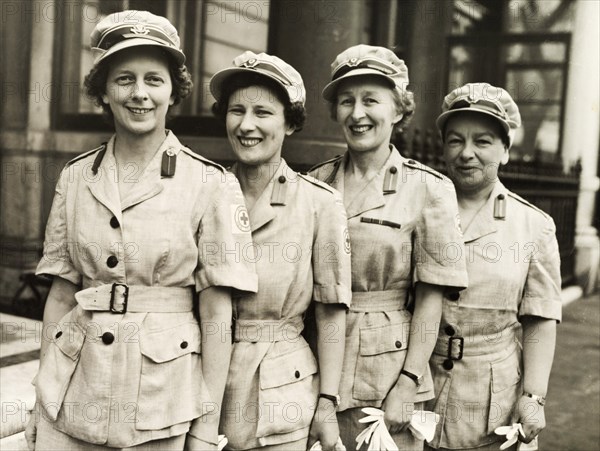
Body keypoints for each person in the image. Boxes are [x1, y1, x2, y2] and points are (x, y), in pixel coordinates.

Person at [26, 10, 257, 450]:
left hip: (161, 402)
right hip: (73, 391)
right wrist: (41, 399)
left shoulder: (209, 182)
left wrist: (206, 427)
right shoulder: (76, 177)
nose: (140, 94)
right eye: (124, 79)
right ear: (103, 92)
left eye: (154, 80)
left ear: (173, 92)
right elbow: (59, 295)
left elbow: (216, 315)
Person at [309, 44, 469, 450]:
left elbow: (432, 297)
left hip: (387, 372)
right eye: (347, 101)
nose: (357, 114)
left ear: (398, 110)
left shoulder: (428, 189)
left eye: (371, 101)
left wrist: (409, 380)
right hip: (314, 361)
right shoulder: (315, 183)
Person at [209, 51, 351, 451]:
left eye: (263, 112)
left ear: (289, 123)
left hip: (283, 394)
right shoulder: (207, 192)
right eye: (236, 110)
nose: (246, 125)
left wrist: (327, 403)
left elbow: (331, 310)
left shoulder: (319, 204)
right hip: (206, 383)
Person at [425, 83, 562, 451]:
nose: (466, 153)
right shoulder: (420, 208)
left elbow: (540, 317)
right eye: (455, 141)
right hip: (419, 385)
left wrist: (534, 397)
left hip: (492, 400)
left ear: (505, 150)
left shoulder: (533, 225)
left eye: (482, 141)